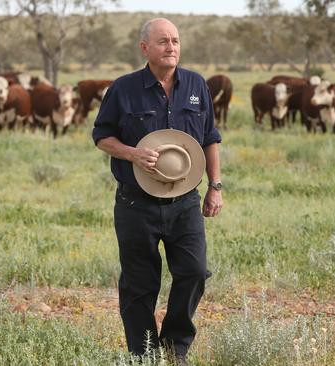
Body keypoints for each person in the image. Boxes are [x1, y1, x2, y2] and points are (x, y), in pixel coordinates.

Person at [91, 18, 223, 364]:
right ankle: (144, 354)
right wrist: (133, 153)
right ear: (145, 48)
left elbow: (210, 138)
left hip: (185, 202)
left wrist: (216, 186)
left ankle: (174, 347)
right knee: (139, 285)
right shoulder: (123, 89)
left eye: (176, 41)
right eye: (163, 41)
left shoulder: (196, 84)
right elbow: (102, 137)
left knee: (194, 272)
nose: (171, 47)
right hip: (136, 203)